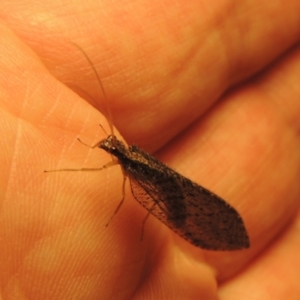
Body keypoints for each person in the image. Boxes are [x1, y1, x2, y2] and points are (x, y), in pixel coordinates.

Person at [0, 1, 300, 299]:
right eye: (110, 147)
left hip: (174, 201)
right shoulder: (124, 155)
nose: (108, 145)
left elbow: (147, 194)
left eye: (111, 147)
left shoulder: (131, 166)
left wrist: (59, 168)